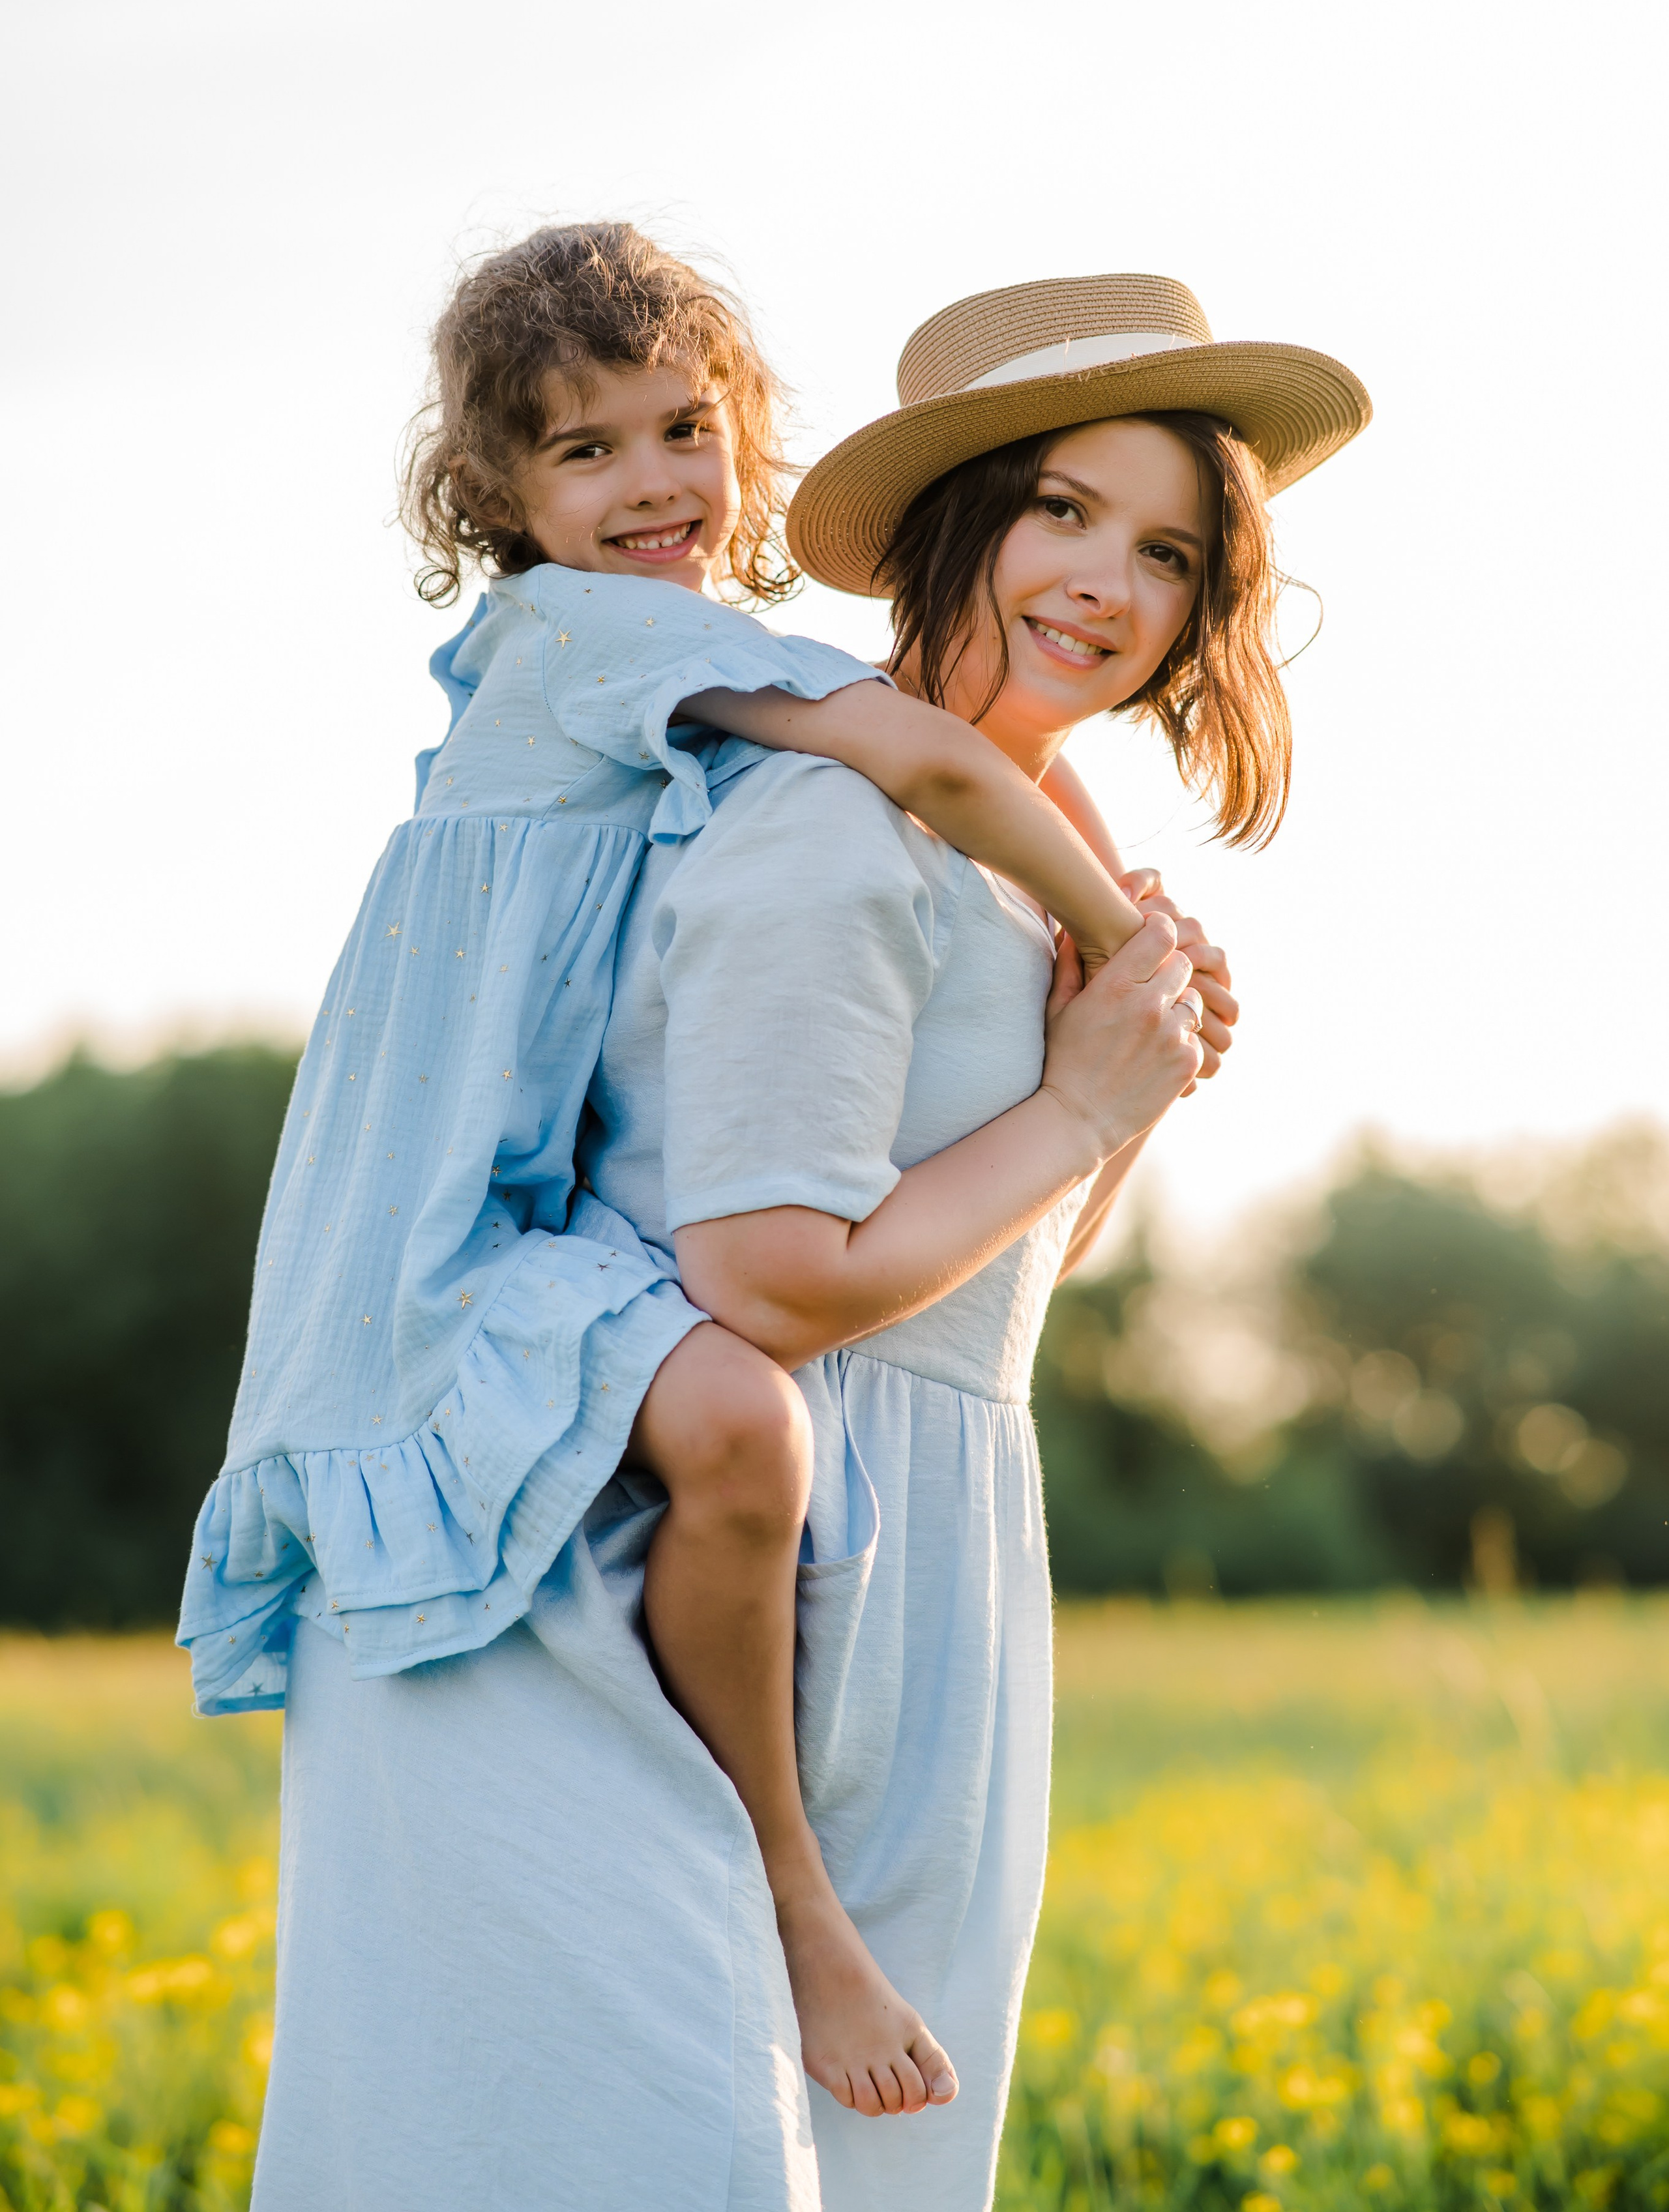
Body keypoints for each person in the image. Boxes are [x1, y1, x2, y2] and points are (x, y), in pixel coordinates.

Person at [244, 269, 1369, 2211]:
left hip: (927, 1525)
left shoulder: (1010, 845)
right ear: (955, 516)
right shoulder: (837, 814)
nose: (1110, 581)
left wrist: (1121, 1085)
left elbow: (989, 1290)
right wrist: (1089, 1079)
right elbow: (769, 1276)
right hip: (744, 1545)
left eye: (1168, 550)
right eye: (1060, 511)